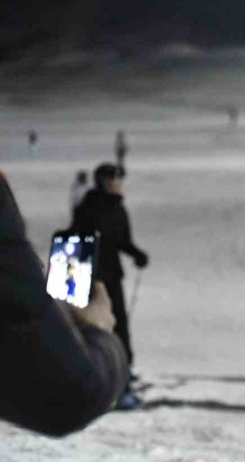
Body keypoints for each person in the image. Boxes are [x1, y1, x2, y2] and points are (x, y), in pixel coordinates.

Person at [0, 171, 128, 436]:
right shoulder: (97, 207)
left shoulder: (100, 206)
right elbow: (70, 392)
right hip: (99, 283)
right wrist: (97, 332)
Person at [72, 163, 149, 409]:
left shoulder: (118, 208)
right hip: (93, 278)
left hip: (112, 275)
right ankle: (109, 384)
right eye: (113, 179)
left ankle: (124, 375)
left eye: (119, 179)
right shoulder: (90, 206)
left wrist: (137, 254)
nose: (118, 183)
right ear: (102, 181)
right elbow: (80, 237)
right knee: (99, 327)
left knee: (120, 326)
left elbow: (122, 240)